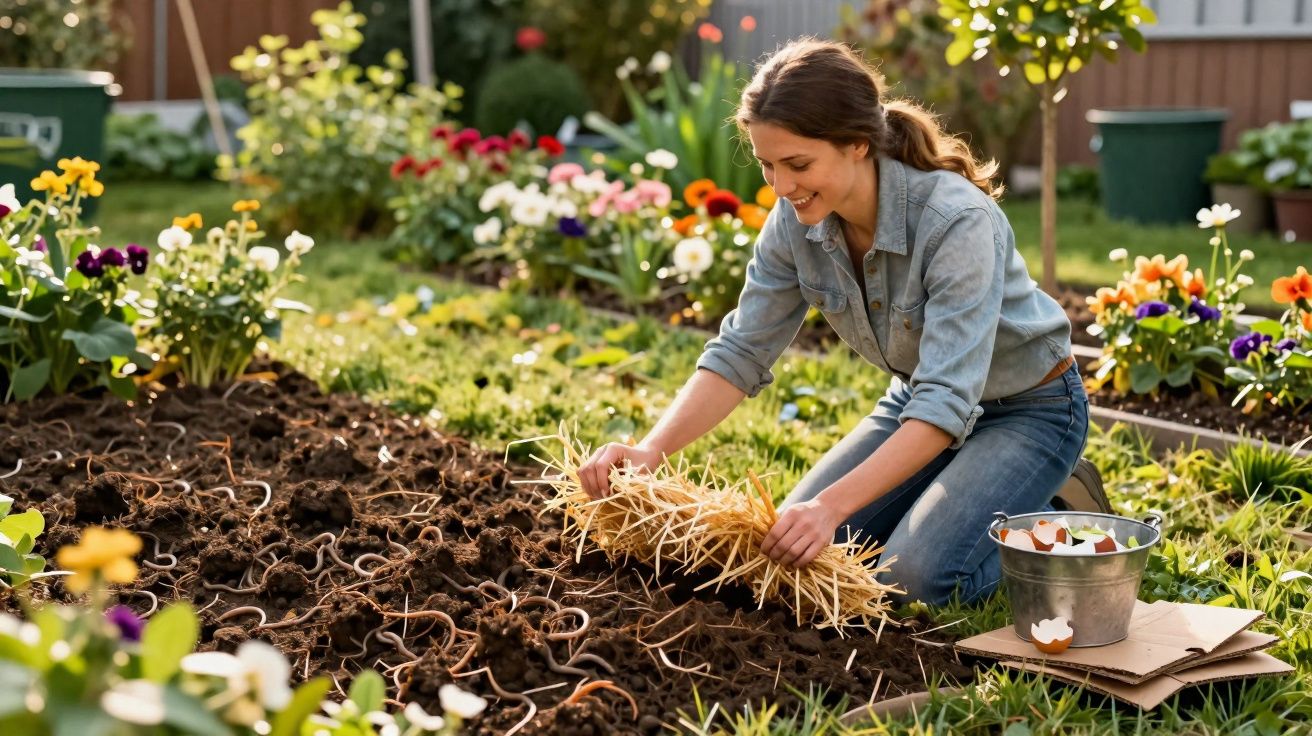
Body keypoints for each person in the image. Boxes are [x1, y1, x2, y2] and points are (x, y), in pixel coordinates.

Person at [577, 38, 1089, 606]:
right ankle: (969, 500)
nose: (782, 186)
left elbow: (948, 400)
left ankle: (1056, 517)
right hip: (917, 405)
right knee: (800, 558)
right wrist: (652, 450)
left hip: (1028, 411)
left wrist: (830, 505)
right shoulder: (795, 220)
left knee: (911, 582)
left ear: (857, 144)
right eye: (768, 165)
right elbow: (742, 349)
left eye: (798, 164)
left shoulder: (955, 221)